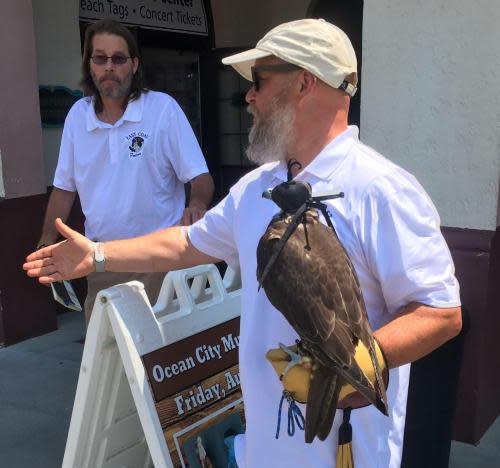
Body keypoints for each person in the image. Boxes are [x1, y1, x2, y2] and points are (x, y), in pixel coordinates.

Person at [25, 19, 462, 467]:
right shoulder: (256, 189)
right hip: (264, 452)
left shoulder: (381, 190)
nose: (249, 97)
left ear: (305, 83)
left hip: (345, 452)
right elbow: (186, 245)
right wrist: (96, 255)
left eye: (259, 81)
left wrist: (357, 366)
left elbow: (440, 312)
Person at [36, 19, 214, 323]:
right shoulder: (78, 117)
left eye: (118, 59)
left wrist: (196, 203)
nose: (109, 67)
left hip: (161, 260)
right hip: (103, 263)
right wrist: (46, 240)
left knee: (168, 362)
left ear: (133, 65)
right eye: (100, 58)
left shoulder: (162, 109)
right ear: (90, 65)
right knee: (110, 363)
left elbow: (200, 177)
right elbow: (64, 189)